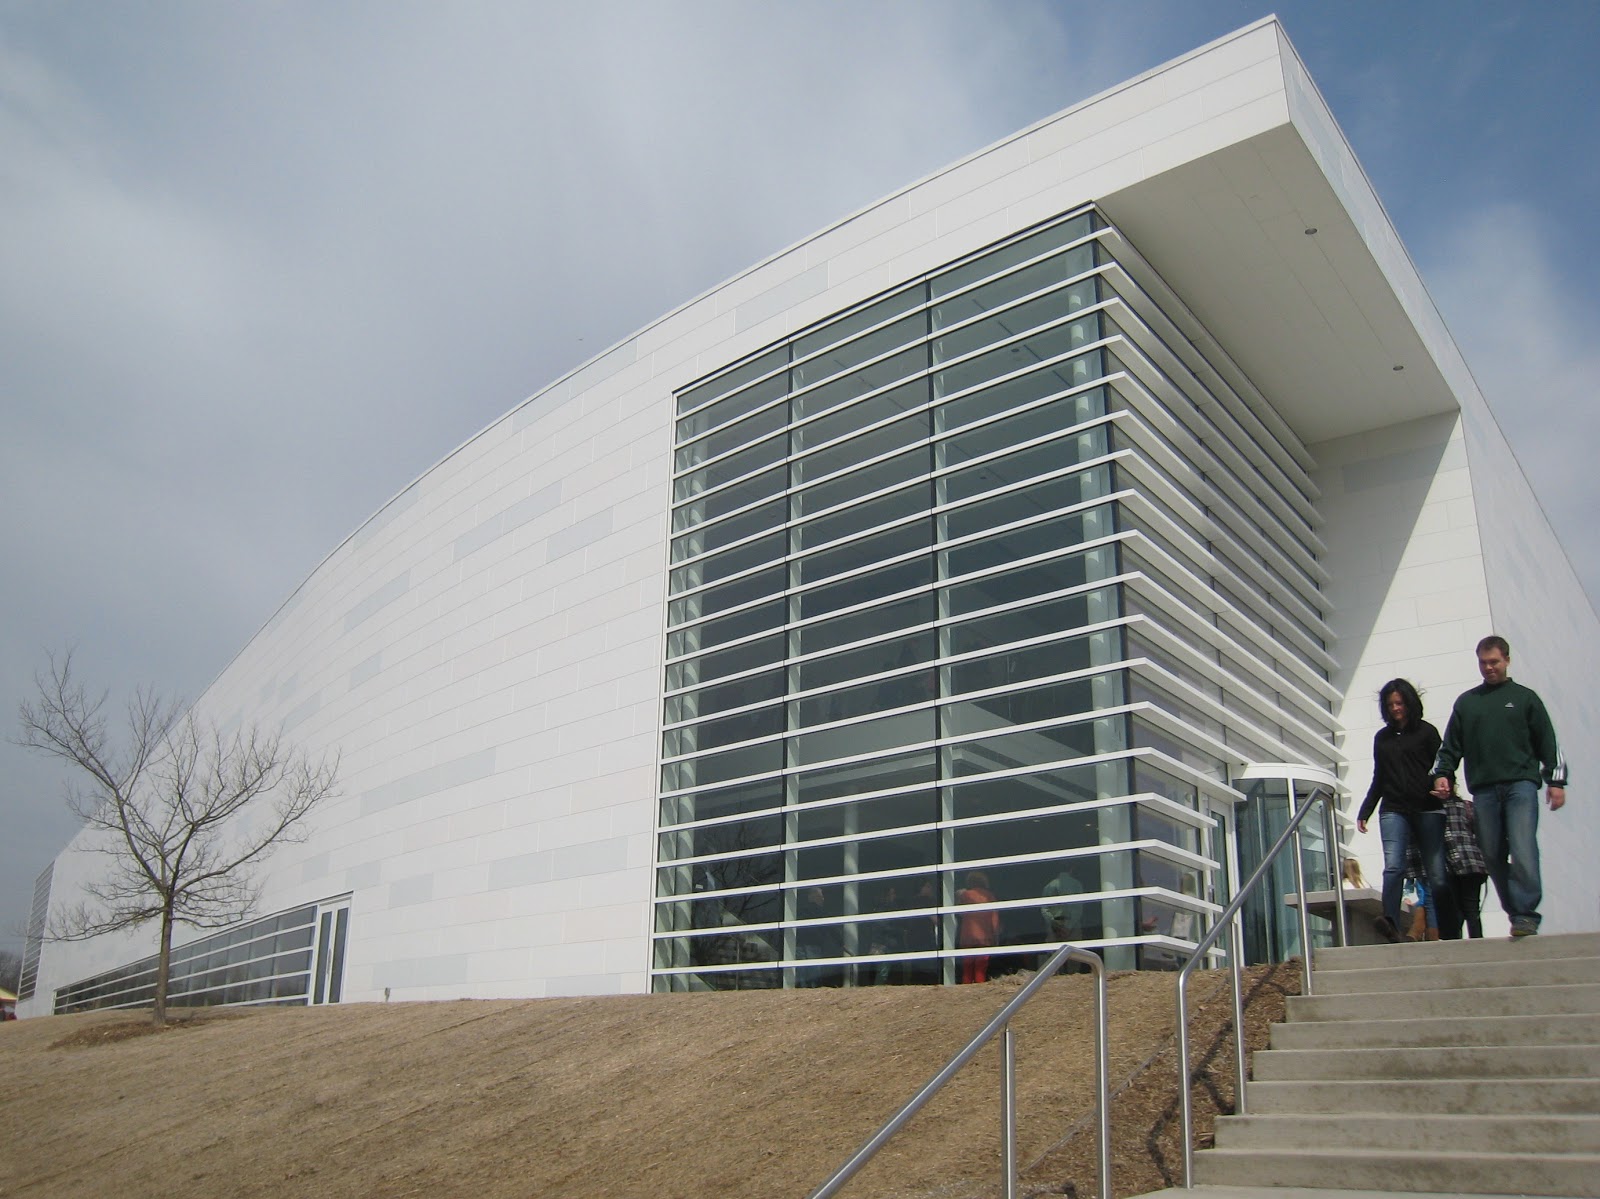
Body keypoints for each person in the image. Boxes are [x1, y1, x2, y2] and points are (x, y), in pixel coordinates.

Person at [1431, 635, 1567, 937]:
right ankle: (1516, 910)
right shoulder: (1468, 703)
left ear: (1506, 660)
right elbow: (1451, 746)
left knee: (1522, 847)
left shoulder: (1525, 698)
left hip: (1520, 786)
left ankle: (1526, 914)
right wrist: (1444, 773)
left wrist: (1556, 781)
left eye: (1494, 662)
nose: (1489, 668)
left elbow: (1548, 743)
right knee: (1491, 855)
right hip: (1484, 790)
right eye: (1483, 662)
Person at [1356, 678, 1457, 943]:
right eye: (1390, 705)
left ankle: (1447, 927)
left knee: (1436, 872)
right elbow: (1380, 776)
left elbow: (1442, 766)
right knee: (1393, 867)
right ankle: (1390, 922)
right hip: (1394, 808)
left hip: (1427, 808)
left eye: (1399, 703)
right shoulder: (1382, 738)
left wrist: (1446, 788)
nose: (1395, 709)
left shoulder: (1426, 732)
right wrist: (1365, 810)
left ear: (1409, 703)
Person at [1440, 782, 1488, 939]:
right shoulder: (1467, 806)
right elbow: (1482, 834)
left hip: (1452, 865)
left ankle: (1456, 945)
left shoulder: (1437, 810)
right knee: (1472, 908)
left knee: (1456, 909)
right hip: (1474, 863)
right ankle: (1478, 943)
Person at [956, 870, 1000, 983]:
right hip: (984, 937)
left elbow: (958, 912)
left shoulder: (966, 895)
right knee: (981, 968)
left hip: (968, 936)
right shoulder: (989, 896)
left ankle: (966, 989)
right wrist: (995, 937)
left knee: (967, 967)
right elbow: (994, 919)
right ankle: (979, 990)